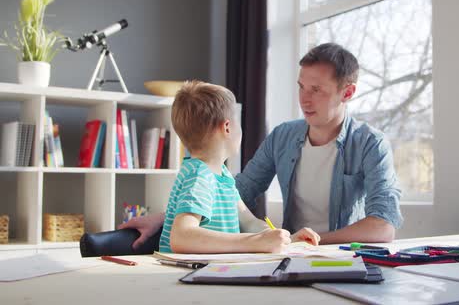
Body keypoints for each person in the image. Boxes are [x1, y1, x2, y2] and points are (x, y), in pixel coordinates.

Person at [120, 43, 402, 248]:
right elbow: (234, 193)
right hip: (288, 252)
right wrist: (166, 217)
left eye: (316, 90)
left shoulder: (370, 144)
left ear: (348, 92)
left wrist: (306, 241)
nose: (304, 99)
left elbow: (382, 227)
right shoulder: (283, 136)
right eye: (301, 86)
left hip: (333, 255)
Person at [158, 81, 319, 253]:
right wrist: (254, 242)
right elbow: (182, 237)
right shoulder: (199, 176)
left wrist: (286, 238)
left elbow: (248, 221)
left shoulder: (222, 175)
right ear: (227, 127)